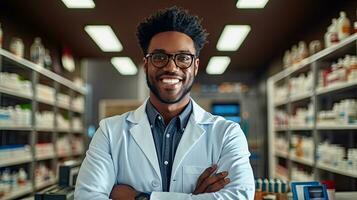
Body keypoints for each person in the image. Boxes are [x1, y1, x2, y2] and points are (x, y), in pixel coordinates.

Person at [75, 6, 255, 200]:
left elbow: (239, 197)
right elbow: (87, 197)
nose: (171, 67)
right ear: (146, 64)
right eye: (160, 57)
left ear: (195, 66)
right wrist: (192, 197)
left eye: (183, 58)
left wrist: (141, 197)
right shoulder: (110, 132)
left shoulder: (227, 134)